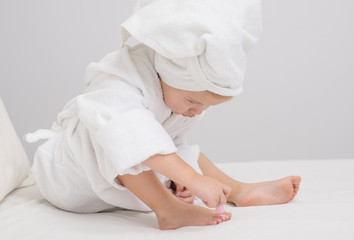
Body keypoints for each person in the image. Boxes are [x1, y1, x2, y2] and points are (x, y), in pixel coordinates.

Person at [26, 0, 301, 230]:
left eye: (206, 107)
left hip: (111, 186)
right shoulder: (118, 81)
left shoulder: (173, 91)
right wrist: (193, 179)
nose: (197, 112)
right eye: (194, 101)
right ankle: (168, 210)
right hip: (68, 179)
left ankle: (238, 190)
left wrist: (179, 179)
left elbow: (168, 147)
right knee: (119, 135)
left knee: (177, 148)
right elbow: (131, 138)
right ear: (168, 75)